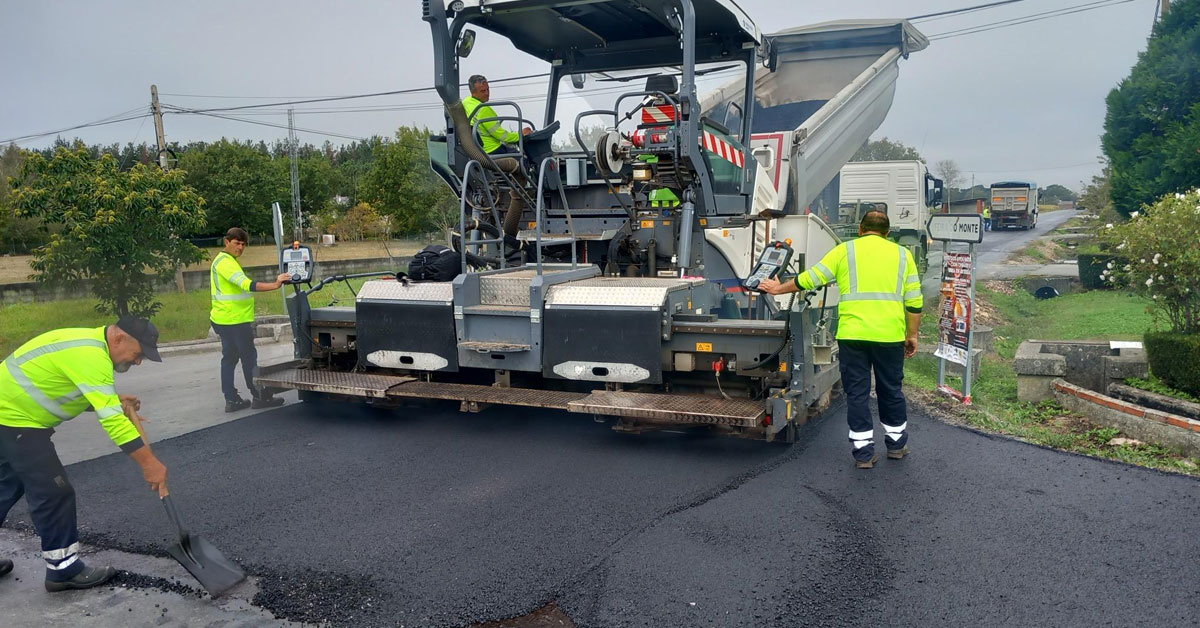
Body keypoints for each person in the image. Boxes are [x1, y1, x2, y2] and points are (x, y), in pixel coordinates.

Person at [0, 318, 169, 591]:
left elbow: (63, 389)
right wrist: (150, 464)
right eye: (138, 354)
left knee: (7, 484)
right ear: (119, 339)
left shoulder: (88, 345)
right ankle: (63, 569)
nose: (138, 362)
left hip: (7, 415)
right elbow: (112, 421)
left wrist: (113, 400)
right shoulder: (92, 356)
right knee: (54, 492)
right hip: (17, 421)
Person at [759, 210, 923, 469]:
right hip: (890, 337)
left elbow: (811, 279)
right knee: (890, 390)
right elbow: (915, 302)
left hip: (852, 336)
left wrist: (778, 287)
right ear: (888, 233)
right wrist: (912, 335)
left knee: (857, 393)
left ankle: (863, 455)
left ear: (860, 229)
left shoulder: (844, 251)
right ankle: (896, 445)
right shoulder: (904, 256)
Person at [210, 227, 291, 412]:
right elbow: (247, 285)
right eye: (237, 243)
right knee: (248, 358)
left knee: (229, 358)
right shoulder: (226, 263)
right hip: (234, 321)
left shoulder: (224, 261)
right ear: (226, 241)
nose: (240, 247)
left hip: (224, 318)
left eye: (243, 244)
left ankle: (232, 399)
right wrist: (276, 284)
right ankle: (259, 396)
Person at [463, 74, 531, 155]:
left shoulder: (466, 102)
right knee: (524, 160)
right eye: (483, 91)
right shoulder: (483, 109)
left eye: (488, 89)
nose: (487, 93)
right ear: (473, 92)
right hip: (492, 150)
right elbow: (503, 136)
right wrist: (521, 134)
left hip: (479, 150)